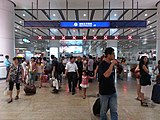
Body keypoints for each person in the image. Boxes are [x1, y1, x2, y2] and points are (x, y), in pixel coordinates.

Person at [98, 47, 118, 120]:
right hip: (104, 92)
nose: (114, 55)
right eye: (113, 53)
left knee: (114, 111)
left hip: (112, 91)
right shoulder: (102, 65)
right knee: (103, 111)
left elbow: (112, 77)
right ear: (108, 55)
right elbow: (106, 75)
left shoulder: (111, 65)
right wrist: (112, 65)